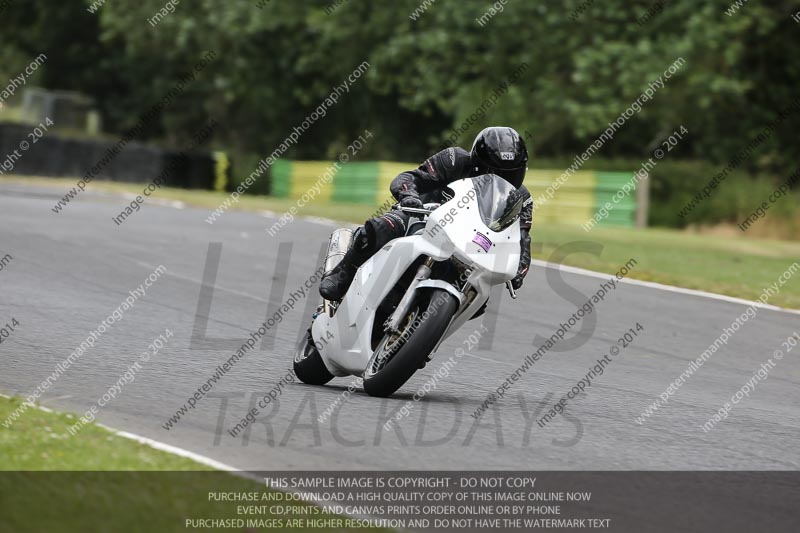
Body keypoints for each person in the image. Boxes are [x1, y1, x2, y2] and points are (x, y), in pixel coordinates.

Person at [319, 126, 532, 301]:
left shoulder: (520, 199)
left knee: (479, 296)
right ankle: (343, 274)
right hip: (421, 219)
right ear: (476, 163)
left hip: (470, 244)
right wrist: (409, 195)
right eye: (493, 172)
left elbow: (521, 238)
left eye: (510, 173)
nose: (500, 180)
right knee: (382, 227)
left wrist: (519, 270)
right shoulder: (454, 160)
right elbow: (409, 178)